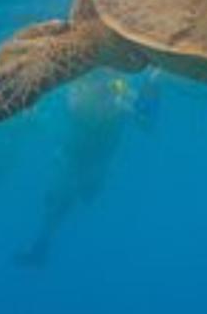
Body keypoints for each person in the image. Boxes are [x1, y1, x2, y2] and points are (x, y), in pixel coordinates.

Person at [15, 75, 136, 269]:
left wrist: (125, 103)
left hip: (96, 156)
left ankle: (43, 242)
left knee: (87, 194)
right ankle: (41, 244)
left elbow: (134, 107)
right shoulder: (76, 82)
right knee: (57, 197)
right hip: (71, 152)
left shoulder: (116, 84)